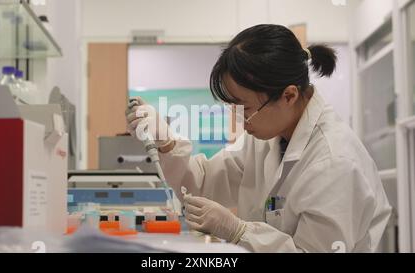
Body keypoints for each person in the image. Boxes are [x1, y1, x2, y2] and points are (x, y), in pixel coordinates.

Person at [125, 24, 391, 252]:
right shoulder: (267, 136)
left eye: (246, 108)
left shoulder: (335, 163)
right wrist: (166, 142)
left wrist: (241, 232)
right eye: (233, 106)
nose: (239, 118)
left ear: (289, 96)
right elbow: (205, 182)